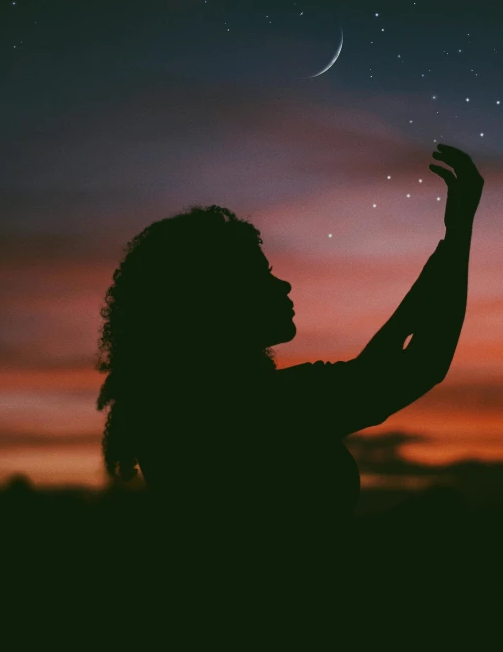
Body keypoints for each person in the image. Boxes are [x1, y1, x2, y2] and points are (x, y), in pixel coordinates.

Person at [94, 142, 483, 641]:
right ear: (214, 298)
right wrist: (459, 231)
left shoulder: (189, 407)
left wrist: (451, 240)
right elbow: (414, 364)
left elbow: (383, 362)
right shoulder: (260, 410)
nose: (285, 286)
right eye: (261, 274)